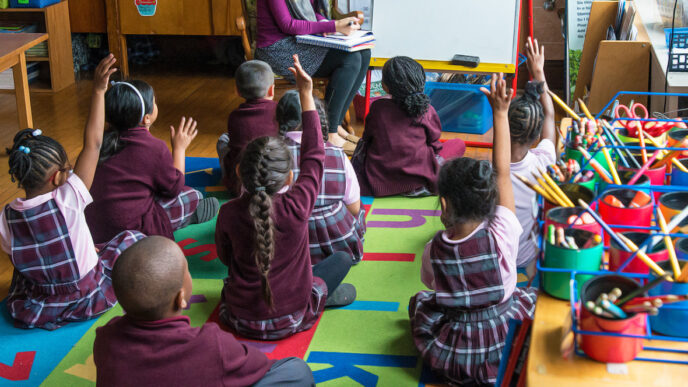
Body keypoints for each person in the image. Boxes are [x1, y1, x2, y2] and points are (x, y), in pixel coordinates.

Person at [409, 73, 538, 385]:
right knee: (534, 299)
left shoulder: (433, 251)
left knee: (419, 301)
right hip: (506, 341)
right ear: (489, 201)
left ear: (443, 206)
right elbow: (503, 173)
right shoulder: (502, 232)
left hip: (457, 354)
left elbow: (433, 287)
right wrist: (500, 113)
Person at [216, 55, 356, 340]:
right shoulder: (297, 205)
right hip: (295, 315)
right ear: (290, 178)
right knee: (340, 260)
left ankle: (316, 288)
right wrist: (306, 93)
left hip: (239, 318)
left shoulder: (229, 212)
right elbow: (315, 153)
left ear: (240, 173)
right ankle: (321, 293)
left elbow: (225, 258)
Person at [0, 55, 145, 330]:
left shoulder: (5, 217)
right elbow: (94, 144)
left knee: (23, 275)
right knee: (132, 238)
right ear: (58, 178)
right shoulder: (68, 198)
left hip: (41, 302)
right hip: (87, 295)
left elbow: (20, 264)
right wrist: (99, 90)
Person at [93, 236, 315, 387]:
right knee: (297, 370)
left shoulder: (104, 339)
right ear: (181, 298)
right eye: (187, 271)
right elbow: (259, 365)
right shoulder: (210, 344)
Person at [85, 76, 219, 244]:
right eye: (154, 101)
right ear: (146, 118)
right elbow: (174, 188)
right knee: (194, 195)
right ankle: (181, 219)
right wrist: (179, 148)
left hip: (92, 228)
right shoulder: (154, 147)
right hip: (130, 232)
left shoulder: (97, 144)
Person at [255, 0, 369, 149]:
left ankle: (336, 123)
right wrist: (334, 26)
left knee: (364, 52)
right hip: (277, 48)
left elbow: (309, 13)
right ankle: (329, 132)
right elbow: (287, 24)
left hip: (300, 40)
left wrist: (330, 24)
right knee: (350, 59)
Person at [351, 56, 466, 197]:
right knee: (458, 144)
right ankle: (418, 187)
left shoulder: (377, 108)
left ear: (384, 86)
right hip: (420, 177)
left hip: (380, 180)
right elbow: (435, 143)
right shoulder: (426, 110)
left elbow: (367, 138)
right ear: (421, 82)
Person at [277, 90, 365, 263]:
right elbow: (354, 208)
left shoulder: (270, 155)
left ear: (280, 119)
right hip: (339, 245)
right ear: (319, 118)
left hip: (286, 249)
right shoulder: (337, 154)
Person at [509, 38, 556, 272]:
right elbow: (549, 114)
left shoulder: (489, 172)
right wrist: (538, 72)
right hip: (526, 256)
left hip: (494, 255)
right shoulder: (544, 161)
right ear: (536, 135)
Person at [217, 60, 280, 196]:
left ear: (237, 91)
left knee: (223, 139)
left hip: (240, 186)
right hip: (276, 183)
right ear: (271, 89)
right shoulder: (280, 111)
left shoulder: (235, 117)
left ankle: (226, 177)